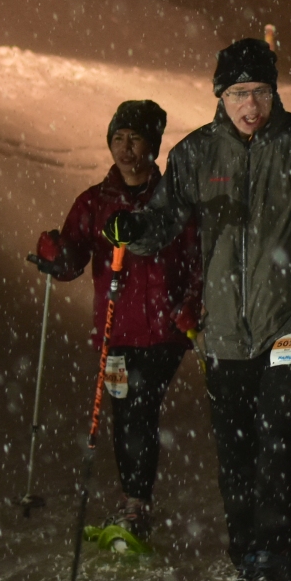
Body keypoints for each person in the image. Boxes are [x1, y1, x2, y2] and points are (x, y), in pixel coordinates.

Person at [108, 39, 291, 581]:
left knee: (276, 423)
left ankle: (273, 561)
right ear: (219, 96)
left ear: (274, 92)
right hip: (224, 325)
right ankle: (248, 560)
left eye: (260, 92)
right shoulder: (196, 154)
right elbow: (163, 219)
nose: (250, 105)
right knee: (234, 444)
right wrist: (134, 229)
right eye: (237, 94)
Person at [30, 100, 201, 542]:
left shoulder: (173, 203)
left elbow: (197, 260)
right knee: (126, 412)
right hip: (116, 328)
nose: (125, 149)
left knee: (140, 405)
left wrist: (191, 304)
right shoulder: (94, 202)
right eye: (118, 138)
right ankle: (132, 501)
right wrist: (55, 255)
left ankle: (136, 504)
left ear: (153, 146)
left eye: (135, 139)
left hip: (164, 330)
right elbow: (72, 259)